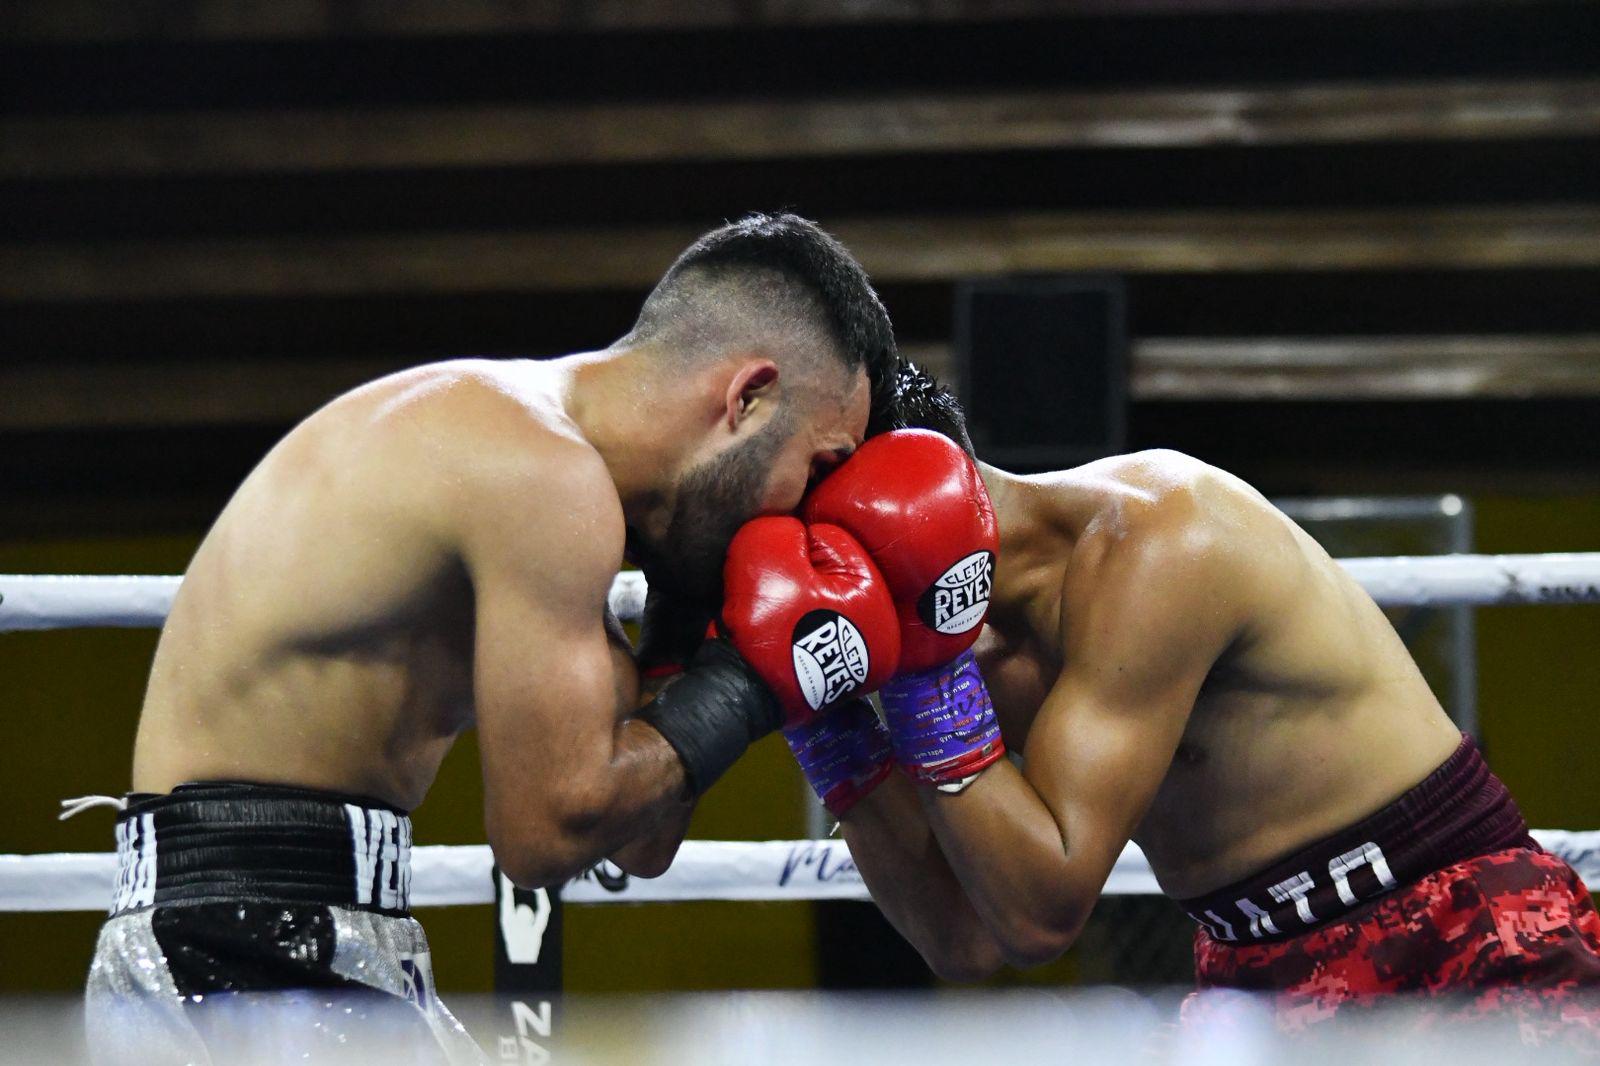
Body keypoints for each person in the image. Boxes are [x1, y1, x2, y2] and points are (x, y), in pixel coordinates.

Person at [83, 213, 901, 1064]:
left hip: (301, 935)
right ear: (747, 398)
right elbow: (545, 835)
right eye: (817, 466)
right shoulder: (543, 474)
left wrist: (689, 629)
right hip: (234, 954)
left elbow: (636, 837)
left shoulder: (551, 485)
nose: (805, 510)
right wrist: (754, 683)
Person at [779, 364, 1600, 1031]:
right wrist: (825, 723)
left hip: (1450, 932)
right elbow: (967, 935)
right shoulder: (941, 651)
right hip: (1251, 973)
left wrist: (926, 663)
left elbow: (1042, 915)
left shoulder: (1162, 534)